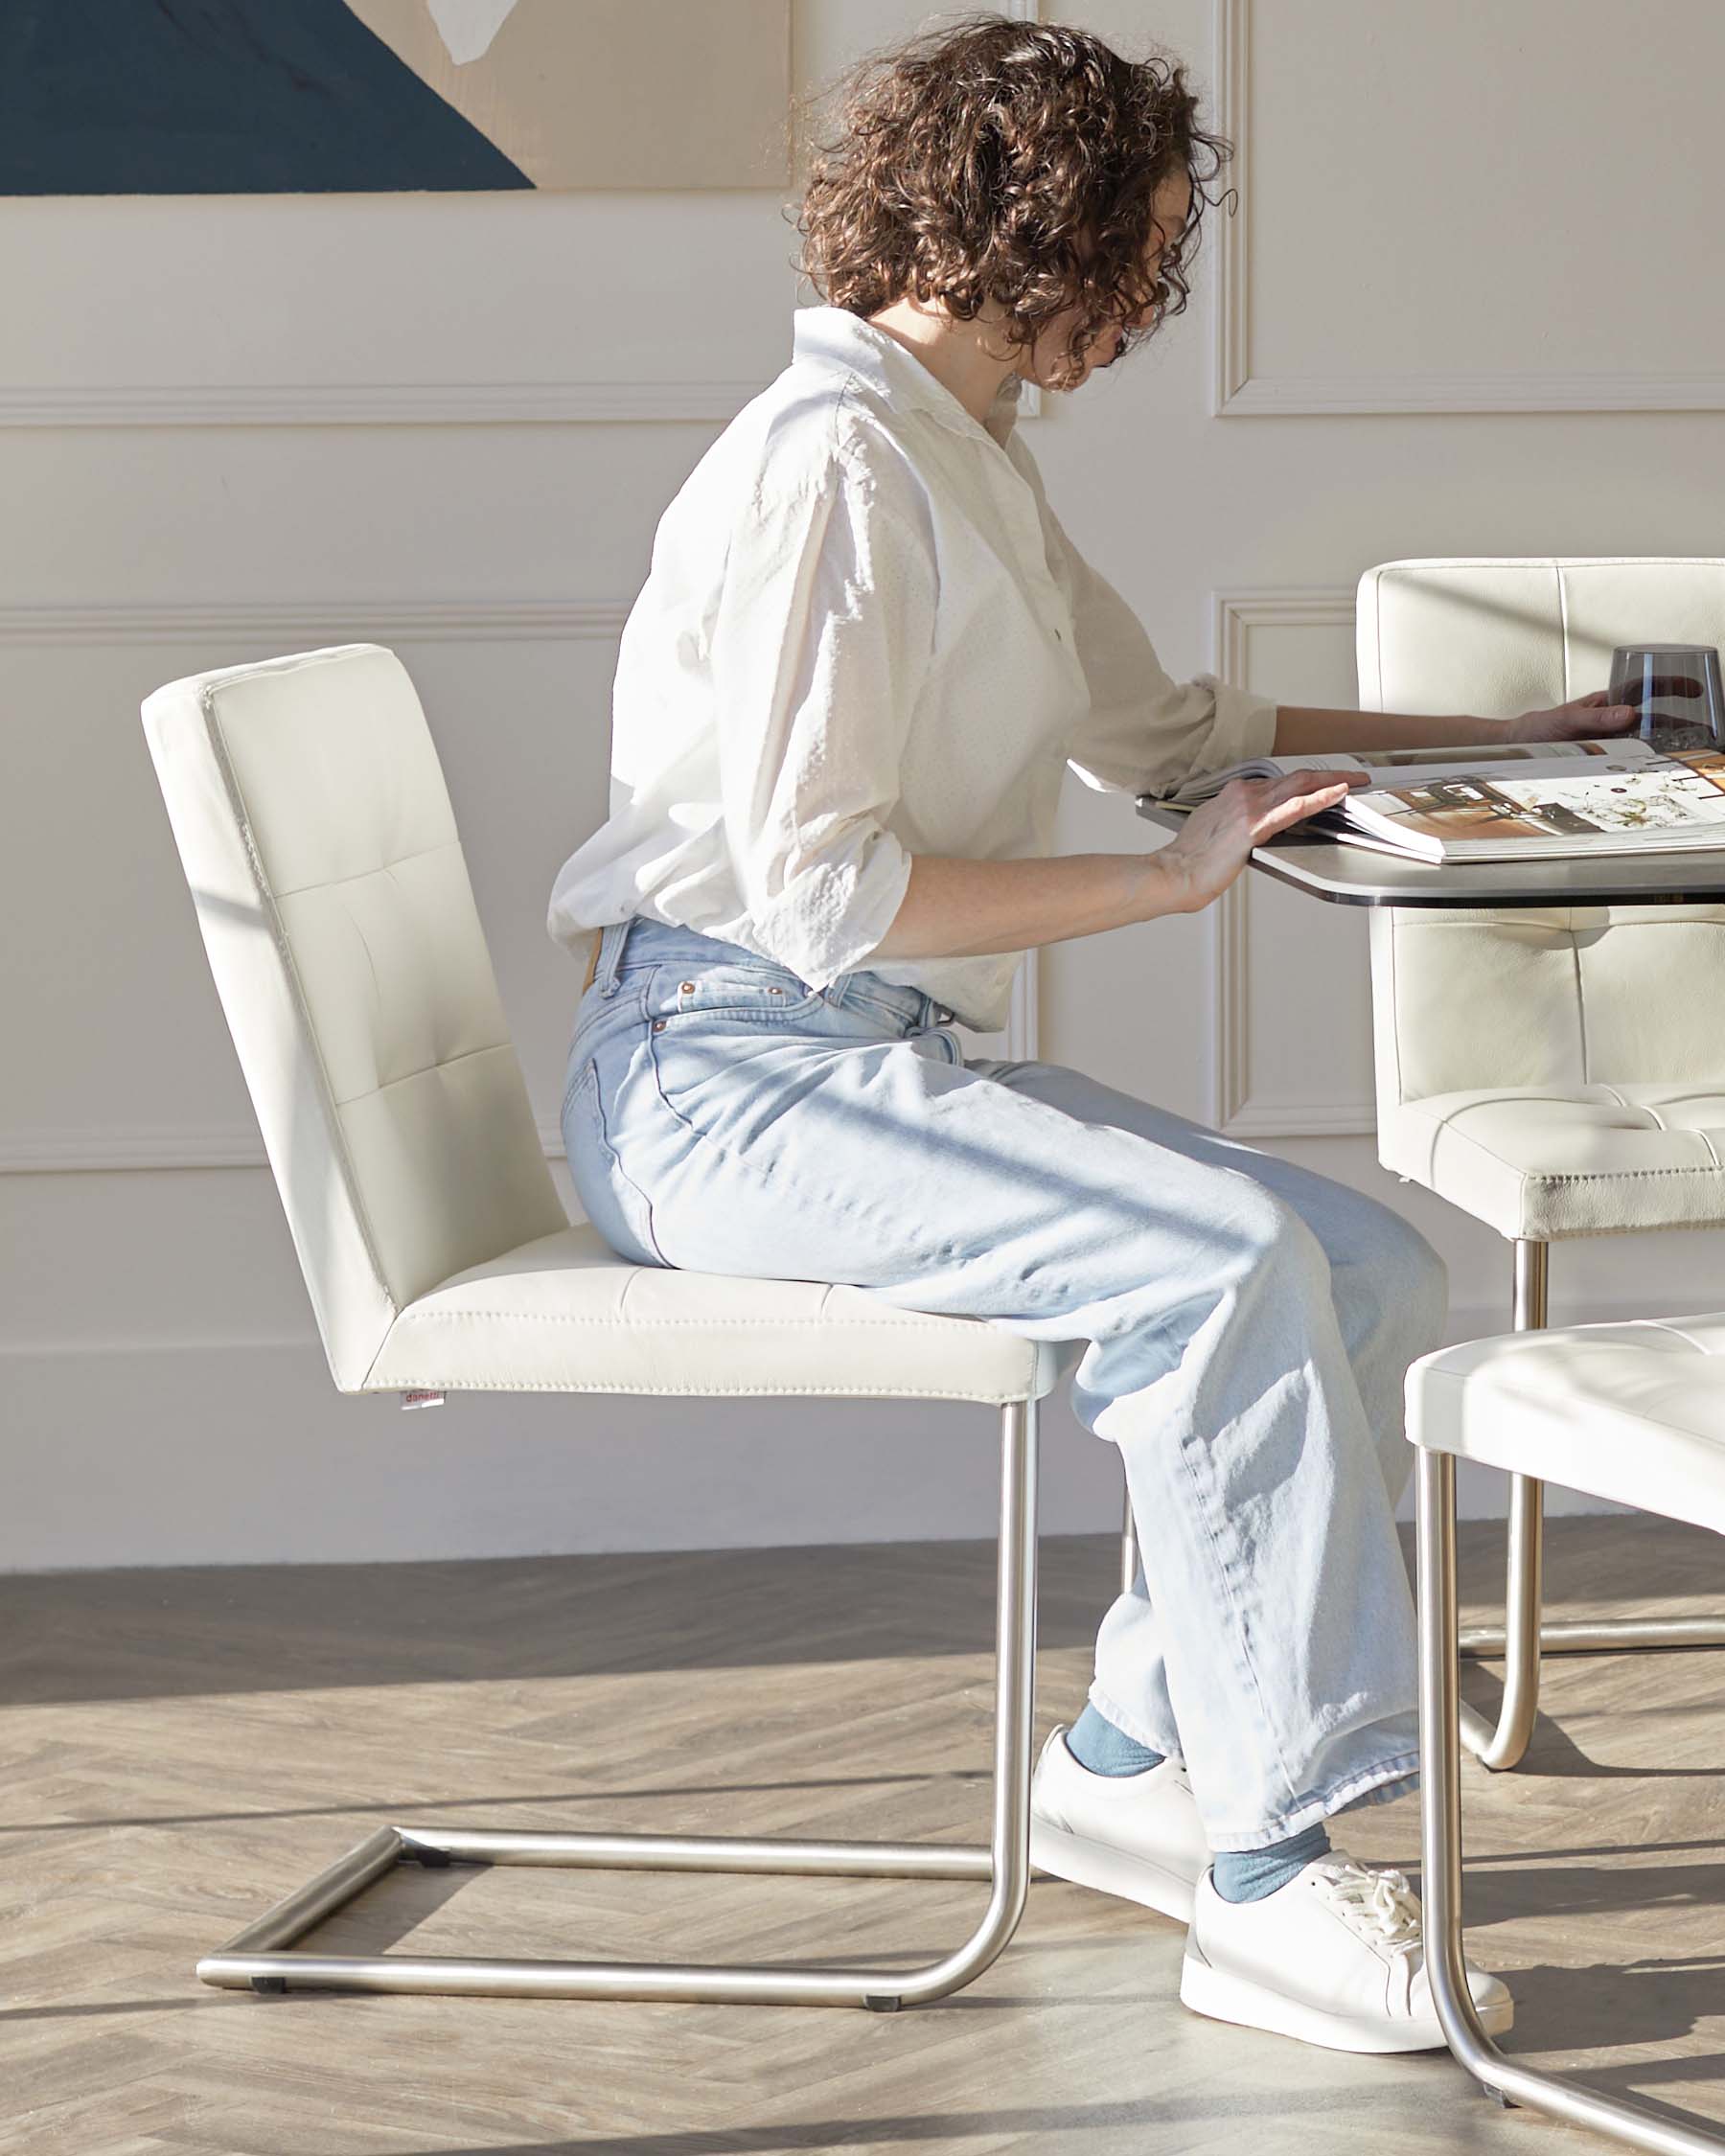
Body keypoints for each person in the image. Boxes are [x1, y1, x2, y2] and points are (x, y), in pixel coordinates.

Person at [546, 12, 1640, 2053]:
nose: (1150, 297)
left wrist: (1508, 740)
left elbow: (1174, 738)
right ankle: (1274, 1876)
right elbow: (822, 894)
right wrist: (1171, 881)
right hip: (720, 1076)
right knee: (1221, 1271)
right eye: (1134, 248)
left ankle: (1132, 1762)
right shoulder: (834, 471)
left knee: (1377, 1279)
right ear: (1020, 225)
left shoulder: (959, 456)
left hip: (855, 1062)